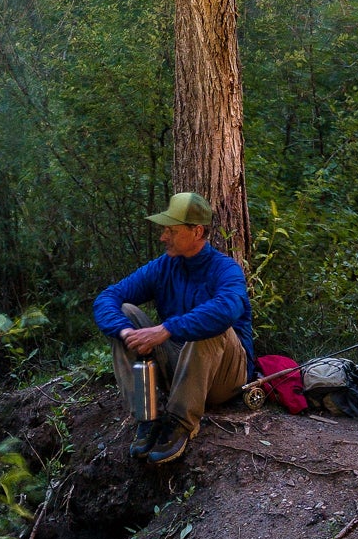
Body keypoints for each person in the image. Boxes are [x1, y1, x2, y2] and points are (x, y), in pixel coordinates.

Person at [93, 192, 255, 466]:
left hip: (224, 378)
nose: (162, 237)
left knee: (212, 323)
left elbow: (227, 310)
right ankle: (148, 416)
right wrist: (126, 333)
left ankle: (181, 422)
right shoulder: (163, 267)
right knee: (124, 313)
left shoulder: (226, 269)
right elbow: (107, 298)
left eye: (171, 230)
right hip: (180, 368)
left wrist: (166, 329)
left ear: (198, 232)